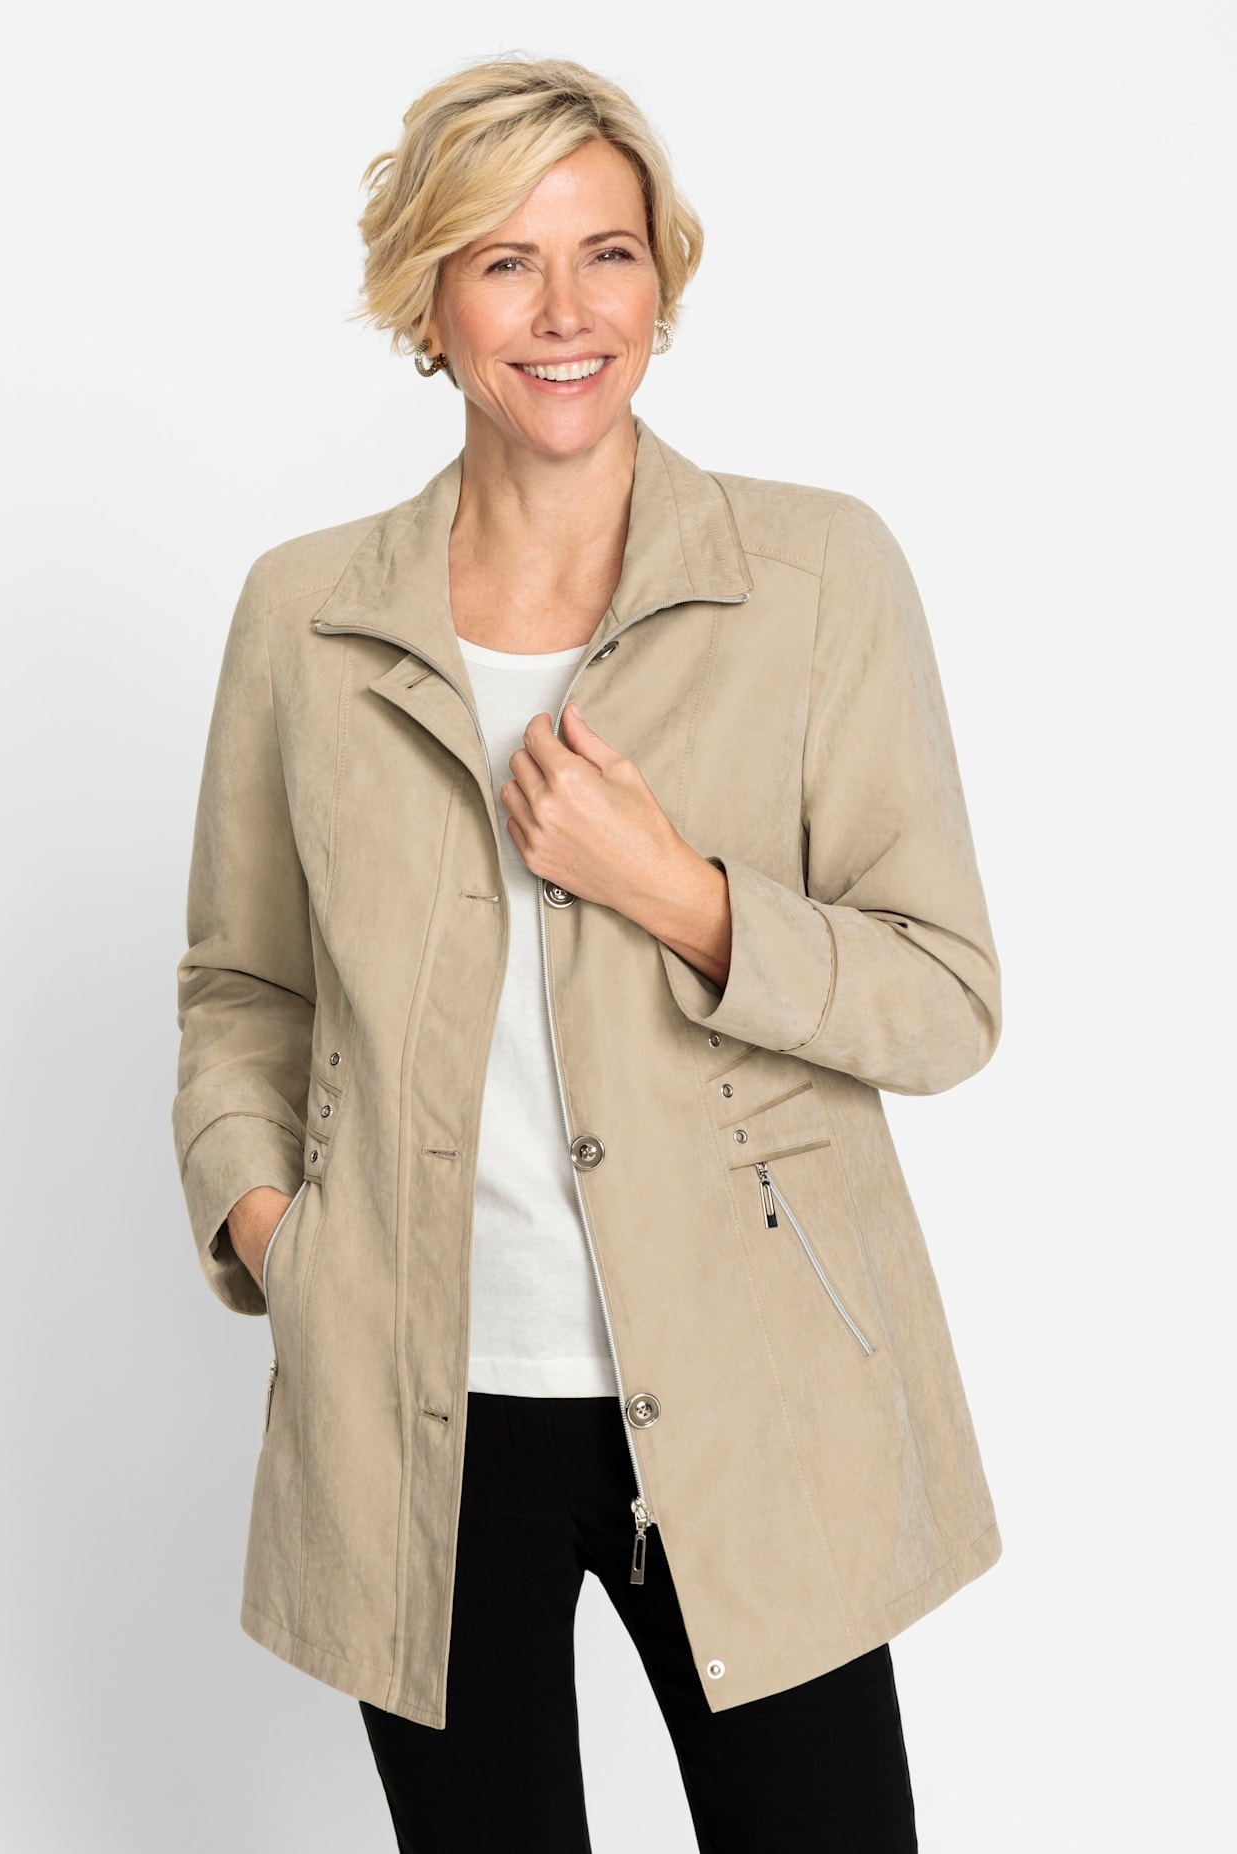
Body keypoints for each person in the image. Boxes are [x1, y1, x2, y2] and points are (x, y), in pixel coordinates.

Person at [171, 54, 1003, 1853]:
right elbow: (243, 983)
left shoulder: (815, 577)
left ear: (662, 281)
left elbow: (945, 995)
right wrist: (280, 1237)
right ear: (429, 304)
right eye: (507, 260)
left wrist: (681, 890)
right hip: (419, 1410)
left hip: (751, 1390)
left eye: (609, 253)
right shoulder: (305, 616)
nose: (567, 312)